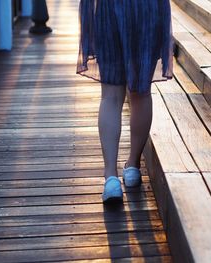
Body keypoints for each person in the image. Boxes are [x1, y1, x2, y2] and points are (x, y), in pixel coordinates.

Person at [76, 0, 174, 203]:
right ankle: (133, 167)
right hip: (147, 9)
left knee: (110, 96)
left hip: (109, 8)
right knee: (141, 93)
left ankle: (111, 178)